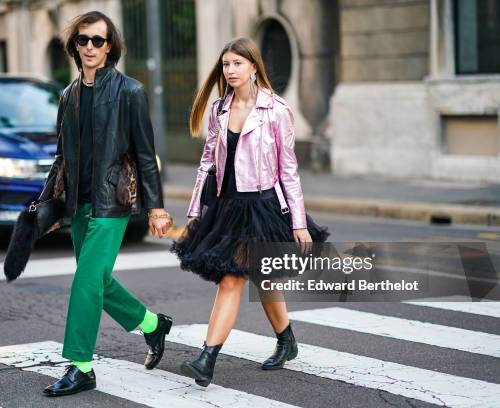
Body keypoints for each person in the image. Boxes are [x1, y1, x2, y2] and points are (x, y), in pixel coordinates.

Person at [171, 37, 328, 387]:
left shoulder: (277, 110)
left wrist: (299, 223)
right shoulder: (219, 109)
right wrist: (196, 210)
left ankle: (206, 358)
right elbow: (207, 163)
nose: (230, 71)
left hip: (262, 205)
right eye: (226, 64)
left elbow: (288, 170)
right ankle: (287, 340)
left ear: (254, 66)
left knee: (232, 279)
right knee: (263, 279)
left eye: (237, 64)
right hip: (227, 206)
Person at [39, 11, 173, 397]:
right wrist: (46, 205)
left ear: (110, 45)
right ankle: (151, 324)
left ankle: (81, 366)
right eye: (83, 40)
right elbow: (61, 156)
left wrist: (156, 207)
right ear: (74, 46)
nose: (90, 47)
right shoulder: (68, 96)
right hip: (78, 204)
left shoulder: (130, 91)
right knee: (98, 280)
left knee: (84, 280)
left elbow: (146, 155)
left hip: (112, 202)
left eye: (98, 40)